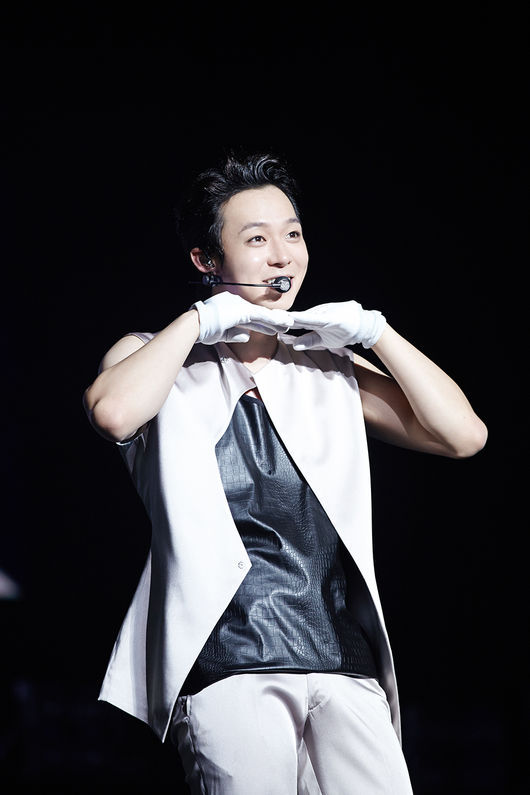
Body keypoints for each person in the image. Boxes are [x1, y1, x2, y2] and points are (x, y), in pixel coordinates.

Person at [83, 152, 487, 794]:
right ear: (205, 260)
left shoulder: (325, 364)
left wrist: (375, 332)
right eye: (256, 239)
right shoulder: (155, 357)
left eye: (293, 234)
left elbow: (463, 435)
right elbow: (112, 413)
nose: (282, 255)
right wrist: (200, 320)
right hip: (229, 658)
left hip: (340, 655)